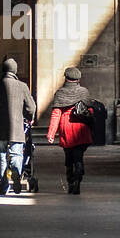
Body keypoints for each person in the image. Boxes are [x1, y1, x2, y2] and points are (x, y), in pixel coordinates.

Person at [0, 57, 36, 195]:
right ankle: (16, 171)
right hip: (16, 127)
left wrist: (0, 115)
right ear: (15, 71)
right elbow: (31, 107)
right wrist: (29, 118)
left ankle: (4, 184)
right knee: (16, 154)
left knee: (1, 156)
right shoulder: (22, 86)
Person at [46, 66, 93, 195]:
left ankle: (71, 181)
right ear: (78, 79)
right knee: (79, 157)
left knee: (69, 158)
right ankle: (78, 178)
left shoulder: (60, 93)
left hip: (66, 128)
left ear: (66, 78)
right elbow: (90, 111)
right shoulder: (84, 92)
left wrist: (51, 134)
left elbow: (56, 114)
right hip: (81, 129)